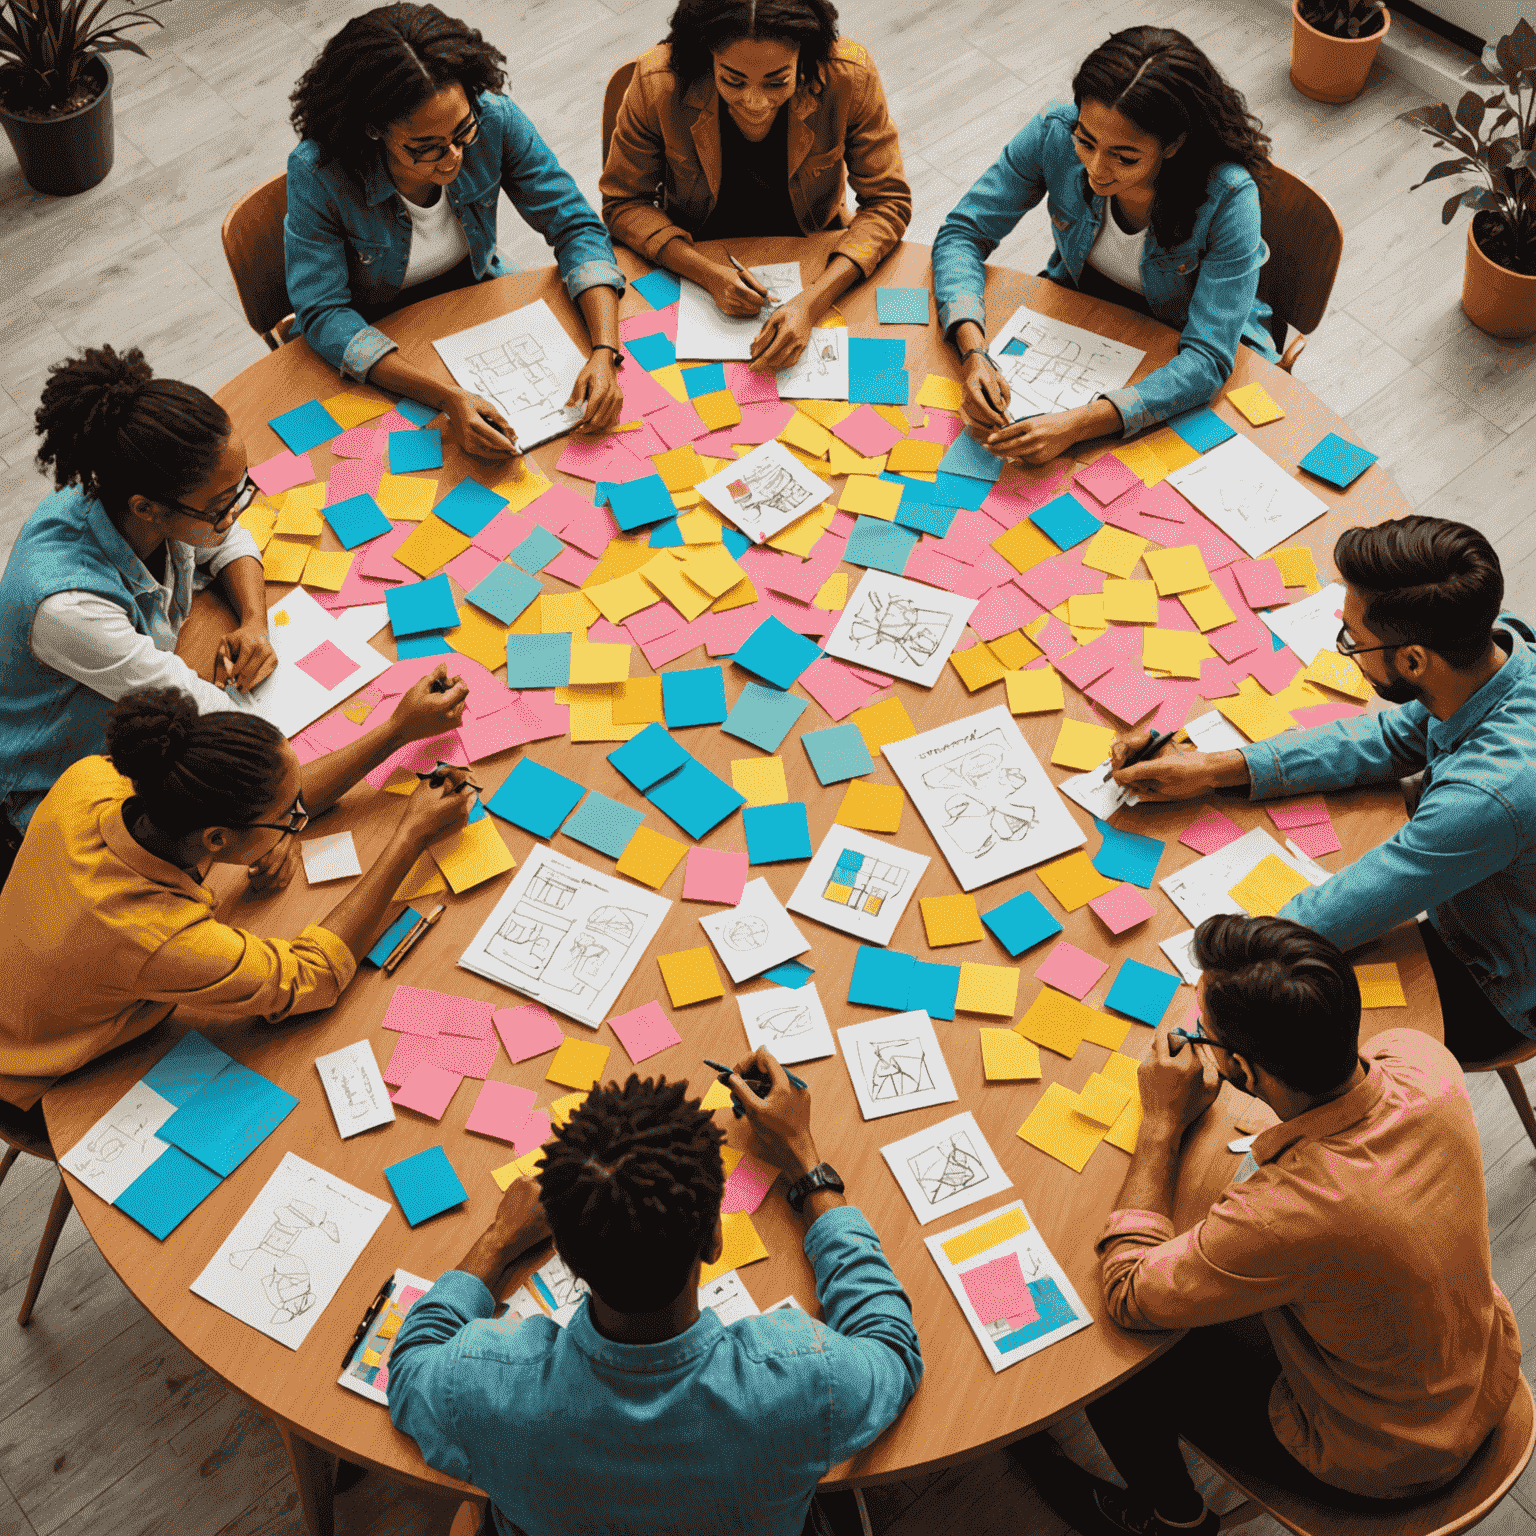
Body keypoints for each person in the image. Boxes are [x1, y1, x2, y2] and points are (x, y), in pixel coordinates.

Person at [1016, 913, 1521, 1536]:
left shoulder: (1282, 1215)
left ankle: (1174, 1517)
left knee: (1109, 1368)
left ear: (1242, 1071)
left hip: (1388, 1457)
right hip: (1480, 1373)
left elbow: (1128, 1289)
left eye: (1200, 1031)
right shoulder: (1425, 1062)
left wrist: (1160, 1124)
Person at [388, 1052, 923, 1536]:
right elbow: (893, 1348)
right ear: (715, 1238)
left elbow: (411, 1364)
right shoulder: (806, 1378)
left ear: (567, 1258)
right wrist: (808, 1163)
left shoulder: (486, 1384)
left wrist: (497, 1241)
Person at [1111, 515, 1536, 1066]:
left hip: (1498, 982)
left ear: (1413, 661)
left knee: (1284, 1043)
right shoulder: (1498, 646)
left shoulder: (1487, 797)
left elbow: (1355, 902)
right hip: (1479, 896)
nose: (1347, 650)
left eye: (1352, 641)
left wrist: (1212, 968)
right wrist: (1215, 768)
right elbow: (1393, 735)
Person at [0, 670, 472, 1121]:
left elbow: (273, 796)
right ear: (217, 840)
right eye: (287, 816)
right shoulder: (156, 936)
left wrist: (397, 729)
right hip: (35, 1074)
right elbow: (313, 975)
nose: (297, 820)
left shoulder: (96, 780)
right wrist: (411, 835)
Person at [285, 2, 626, 459]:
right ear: (372, 130)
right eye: (424, 148)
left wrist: (605, 349)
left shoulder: (496, 119)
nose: (452, 159)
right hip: (375, 337)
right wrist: (445, 396)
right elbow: (323, 312)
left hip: (477, 293)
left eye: (462, 132)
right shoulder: (319, 173)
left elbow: (575, 224)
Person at [931, 26, 1277, 466]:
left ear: (1173, 144)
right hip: (1085, 321)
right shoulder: (1052, 131)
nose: (1096, 169)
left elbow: (1207, 357)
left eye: (1124, 156)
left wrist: (1078, 424)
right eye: (1086, 140)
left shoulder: (1228, 196)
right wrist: (973, 348)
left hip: (1181, 350)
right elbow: (963, 233)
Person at [0, 345, 274, 864]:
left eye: (240, 491)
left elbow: (230, 539)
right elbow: (193, 701)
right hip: (62, 786)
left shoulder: (139, 493)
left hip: (140, 717)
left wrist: (256, 621)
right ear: (148, 509)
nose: (235, 513)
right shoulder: (66, 607)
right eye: (222, 505)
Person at [600, 0, 910, 373]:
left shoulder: (849, 76)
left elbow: (887, 201)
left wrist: (812, 301)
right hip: (694, 258)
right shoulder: (658, 83)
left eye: (778, 81)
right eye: (732, 79)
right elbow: (624, 202)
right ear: (706, 55)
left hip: (817, 257)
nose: (755, 102)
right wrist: (706, 273)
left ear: (805, 57)